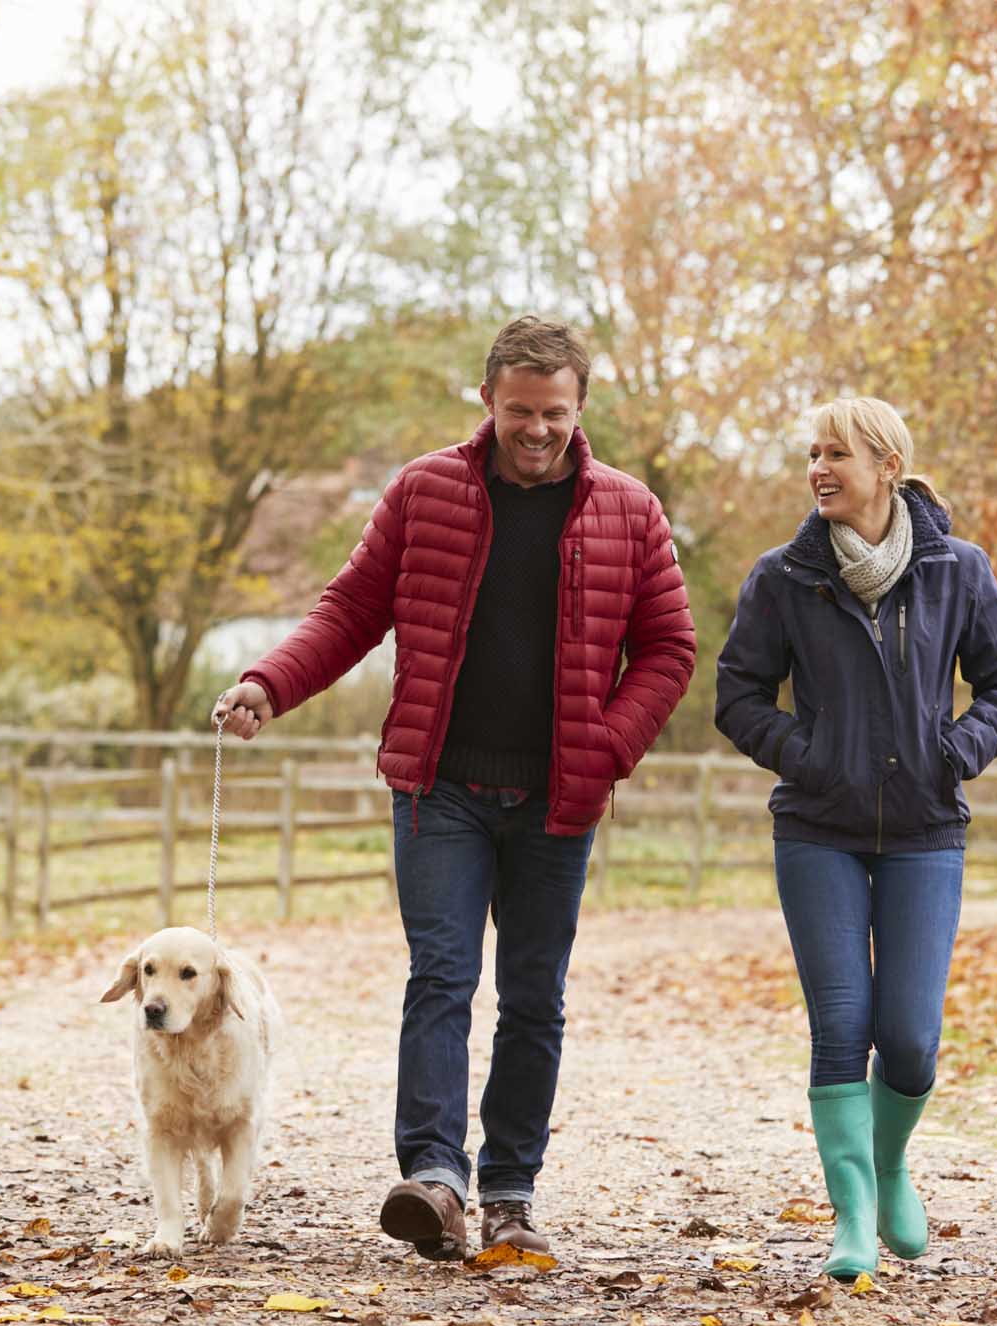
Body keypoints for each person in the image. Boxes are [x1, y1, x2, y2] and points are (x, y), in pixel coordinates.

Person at [212, 316, 695, 1262]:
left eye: (555, 412)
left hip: (559, 796)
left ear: (581, 406)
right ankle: (434, 1179)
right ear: (488, 400)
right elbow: (350, 609)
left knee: (533, 996)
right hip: (440, 787)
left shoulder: (629, 510)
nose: (537, 429)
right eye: (520, 410)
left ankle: (511, 1187)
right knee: (441, 974)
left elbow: (670, 648)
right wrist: (268, 684)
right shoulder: (425, 491)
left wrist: (608, 744)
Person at [714, 396, 997, 1282]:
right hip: (817, 830)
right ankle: (852, 1211)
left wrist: (954, 752)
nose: (820, 469)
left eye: (838, 455)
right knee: (841, 1025)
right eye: (813, 454)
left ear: (887, 466)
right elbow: (737, 696)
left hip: (926, 831)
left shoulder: (957, 571)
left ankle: (891, 1165)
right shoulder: (783, 577)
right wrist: (806, 757)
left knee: (909, 1037)